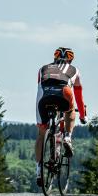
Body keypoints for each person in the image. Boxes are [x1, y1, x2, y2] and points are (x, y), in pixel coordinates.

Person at [35, 46, 86, 187]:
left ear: (54, 57)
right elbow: (79, 96)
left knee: (41, 132)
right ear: (71, 59)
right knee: (70, 111)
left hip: (44, 96)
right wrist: (82, 115)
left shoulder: (43, 68)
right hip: (64, 92)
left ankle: (39, 169)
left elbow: (39, 86)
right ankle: (68, 137)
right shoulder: (74, 70)